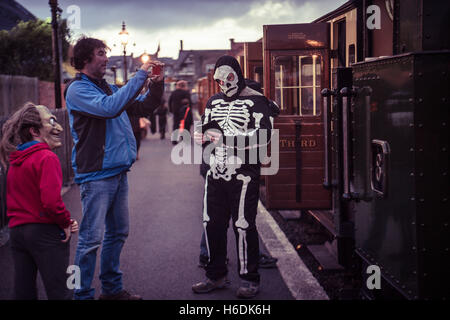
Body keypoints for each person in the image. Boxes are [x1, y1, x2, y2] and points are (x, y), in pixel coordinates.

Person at [64, 37, 164, 300]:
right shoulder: (77, 90)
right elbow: (110, 109)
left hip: (117, 172)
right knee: (89, 240)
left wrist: (156, 84)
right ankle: (82, 294)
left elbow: (143, 107)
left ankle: (111, 289)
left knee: (118, 232)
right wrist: (140, 76)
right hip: (96, 175)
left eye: (106, 53)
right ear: (85, 59)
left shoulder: (108, 87)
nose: (106, 58)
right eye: (100, 53)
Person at [192, 56, 279, 299]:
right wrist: (199, 135)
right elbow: (204, 127)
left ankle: (250, 279)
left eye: (228, 78)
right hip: (215, 171)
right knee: (212, 223)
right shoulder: (213, 100)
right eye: (218, 79)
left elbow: (262, 138)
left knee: (243, 225)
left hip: (243, 173)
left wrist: (225, 140)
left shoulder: (257, 101)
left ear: (237, 75)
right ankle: (215, 275)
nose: (223, 83)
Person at [0, 102, 79, 300]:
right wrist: (66, 222)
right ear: (35, 130)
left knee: (24, 291)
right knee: (60, 289)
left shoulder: (15, 160)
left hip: (17, 233)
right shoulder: (47, 157)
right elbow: (51, 202)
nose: (59, 127)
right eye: (52, 122)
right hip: (45, 232)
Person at [169, 80, 192, 144]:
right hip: (184, 112)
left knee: (176, 125)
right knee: (185, 125)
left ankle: (174, 140)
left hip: (175, 111)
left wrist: (171, 110)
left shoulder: (174, 93)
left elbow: (170, 102)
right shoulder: (186, 93)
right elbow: (189, 102)